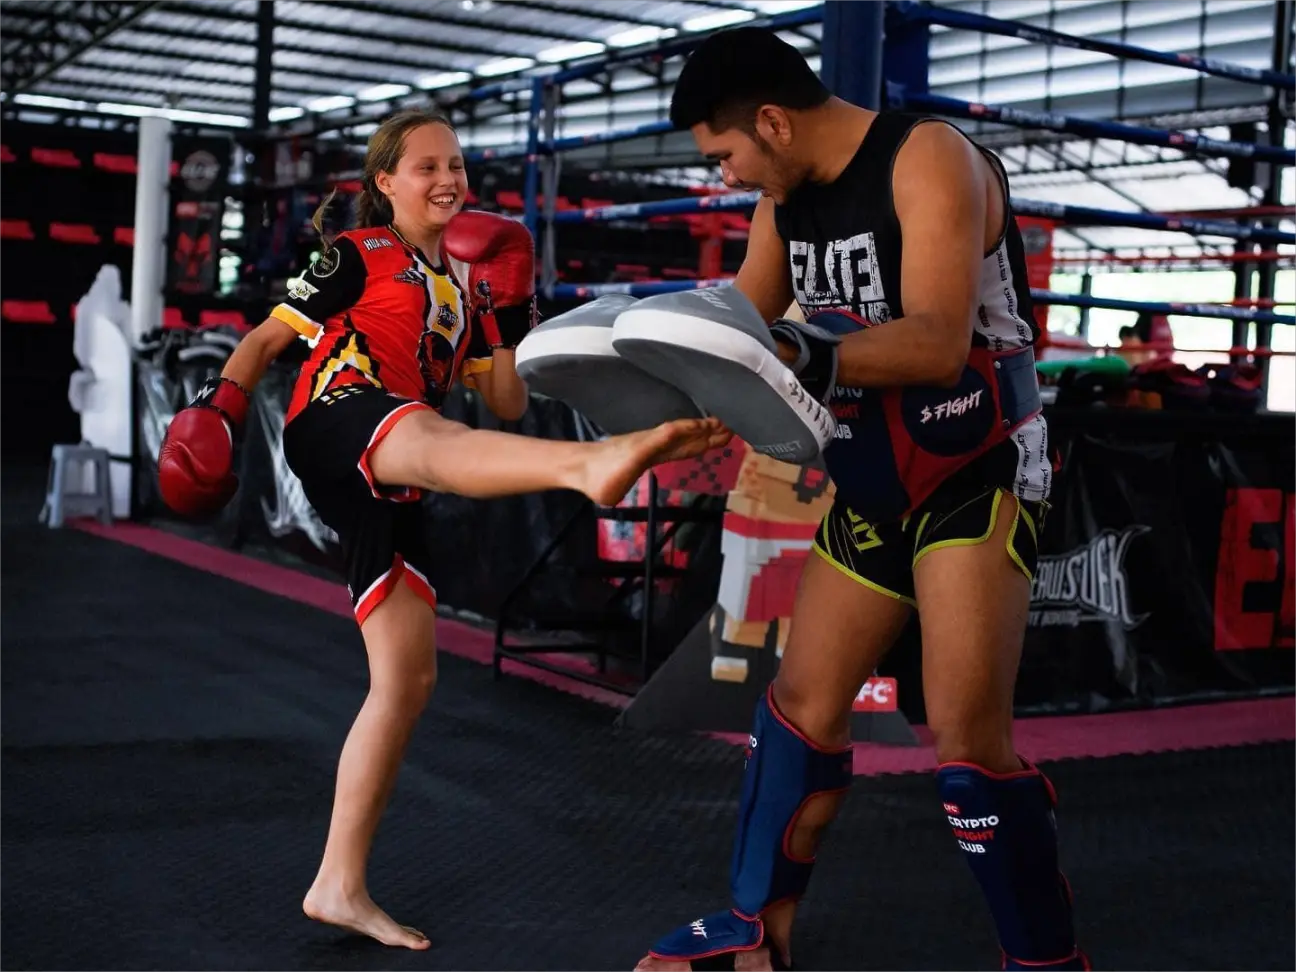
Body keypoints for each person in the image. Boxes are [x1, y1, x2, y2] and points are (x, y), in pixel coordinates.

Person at [156, 108, 730, 951]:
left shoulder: (460, 292)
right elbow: (268, 338)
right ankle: (590, 466)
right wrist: (222, 409)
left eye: (456, 166)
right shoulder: (358, 255)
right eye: (426, 167)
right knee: (427, 439)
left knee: (406, 679)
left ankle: (337, 883)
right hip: (343, 418)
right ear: (385, 184)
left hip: (398, 474)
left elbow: (505, 401)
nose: (448, 180)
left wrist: (509, 304)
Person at [634, 28, 1088, 972]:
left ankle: (1046, 962)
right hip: (873, 477)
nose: (723, 176)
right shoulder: (781, 201)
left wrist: (794, 351)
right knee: (798, 709)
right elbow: (742, 331)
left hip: (979, 469)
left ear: (772, 121)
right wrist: (638, 366)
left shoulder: (929, 158)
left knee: (967, 744)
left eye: (724, 155)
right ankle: (759, 934)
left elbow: (931, 342)